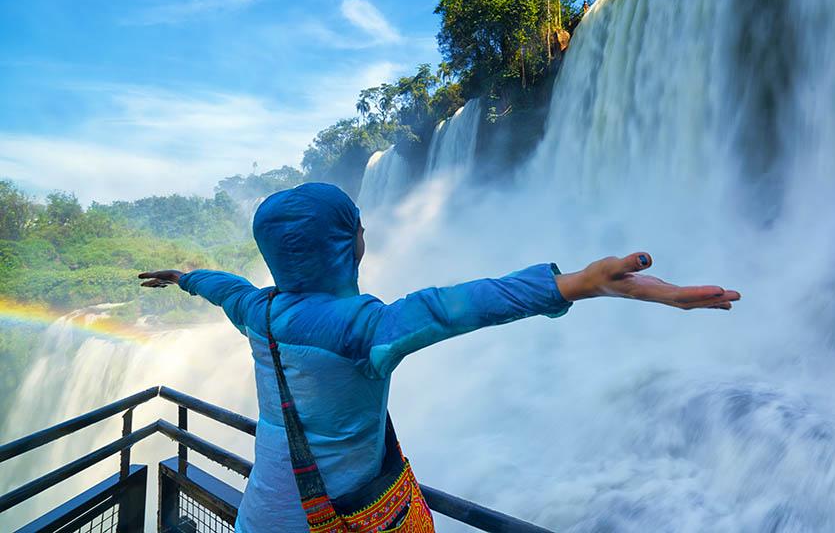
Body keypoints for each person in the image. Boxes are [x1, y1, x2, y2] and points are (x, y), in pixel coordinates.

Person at [139, 182, 740, 532]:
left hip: (260, 513)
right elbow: (458, 306)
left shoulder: (258, 311)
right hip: (337, 520)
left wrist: (185, 276)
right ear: (351, 244)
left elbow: (223, 286)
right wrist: (580, 282)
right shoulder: (364, 328)